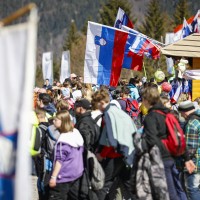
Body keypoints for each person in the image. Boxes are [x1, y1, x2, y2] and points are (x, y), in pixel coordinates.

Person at [141, 86, 187, 200]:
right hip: (172, 157)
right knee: (176, 190)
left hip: (159, 159)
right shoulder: (167, 113)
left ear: (146, 100)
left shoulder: (151, 117)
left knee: (167, 194)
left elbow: (151, 140)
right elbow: (177, 135)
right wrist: (187, 158)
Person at [95, 89, 137, 200]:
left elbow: (109, 139)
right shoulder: (120, 113)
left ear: (101, 102)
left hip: (114, 156)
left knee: (103, 184)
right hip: (126, 154)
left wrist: (102, 154)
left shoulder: (108, 114)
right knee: (129, 184)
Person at [49, 111, 84, 200]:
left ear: (62, 121)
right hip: (76, 174)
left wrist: (53, 177)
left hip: (63, 176)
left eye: (56, 120)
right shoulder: (76, 133)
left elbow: (59, 160)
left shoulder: (63, 141)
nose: (53, 121)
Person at [178, 101, 200, 200]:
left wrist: (185, 159)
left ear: (184, 112)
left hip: (195, 162)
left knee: (192, 189)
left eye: (181, 113)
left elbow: (190, 147)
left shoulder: (192, 123)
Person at [33, 109, 51, 200]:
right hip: (49, 160)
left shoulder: (39, 129)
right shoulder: (51, 126)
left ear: (38, 117)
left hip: (42, 159)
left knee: (41, 182)